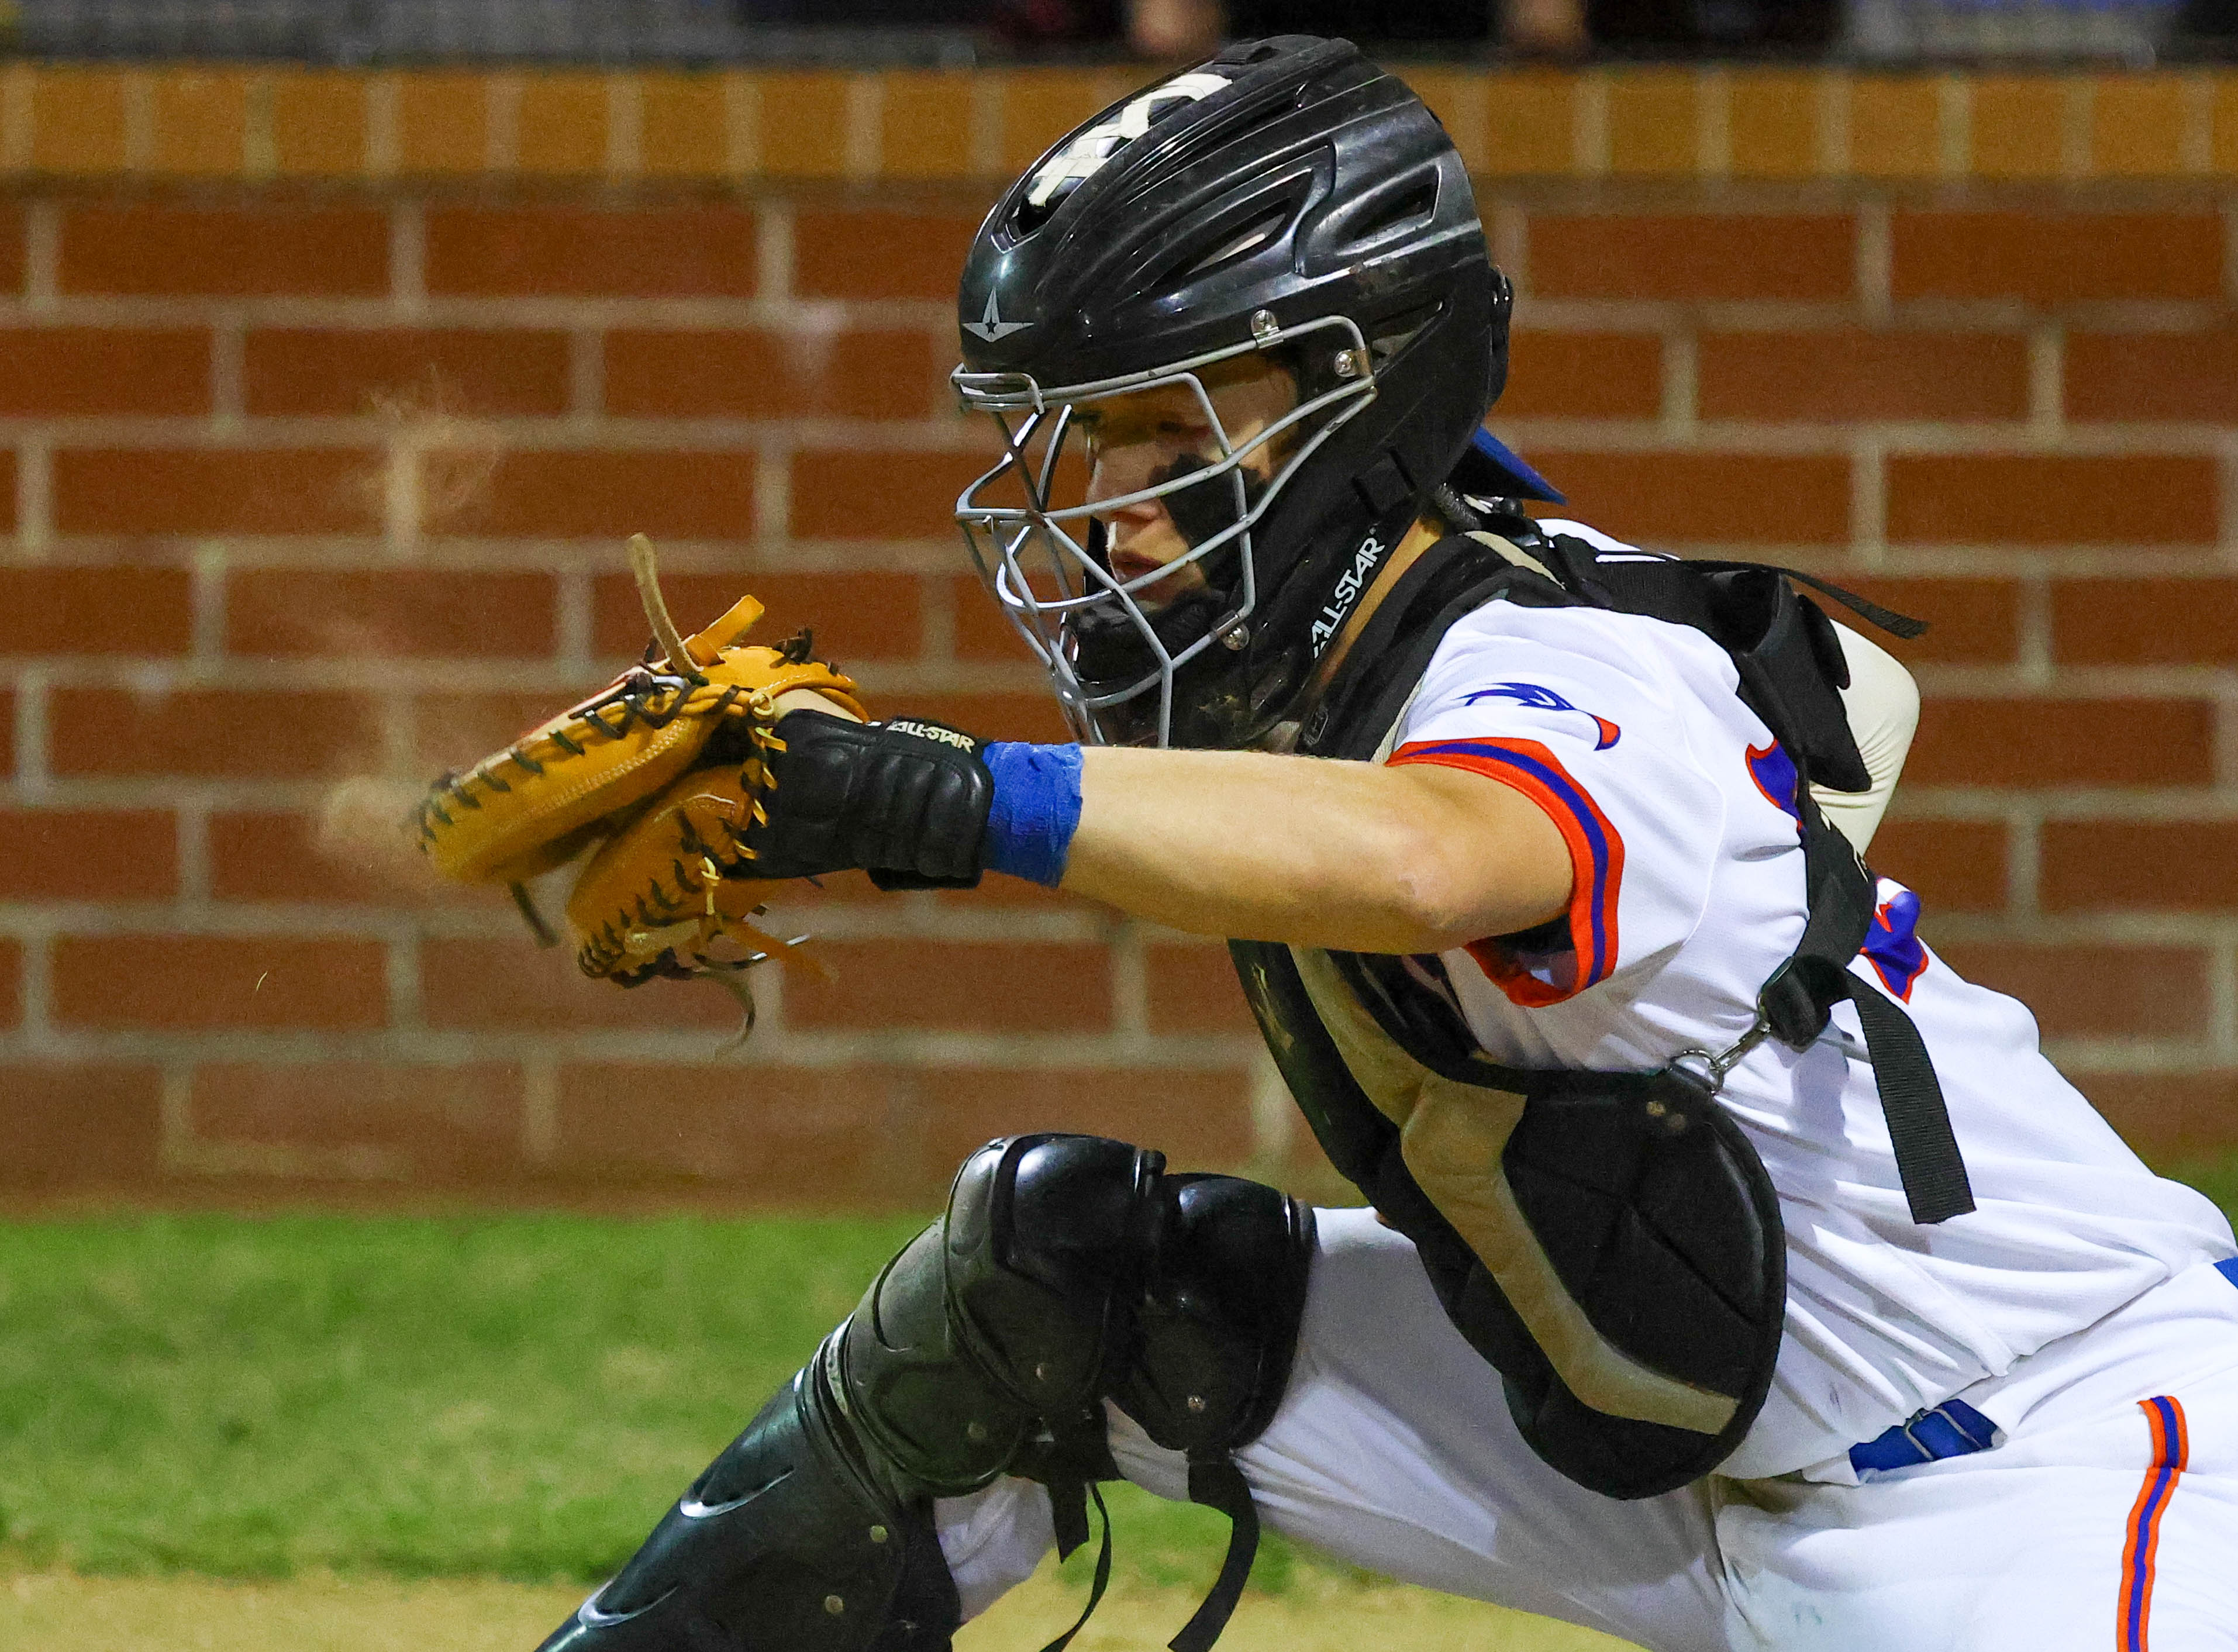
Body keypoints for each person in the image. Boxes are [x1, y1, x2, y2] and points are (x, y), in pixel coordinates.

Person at [528, 37, 2238, 1652]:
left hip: (2047, 1446)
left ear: (1360, 402)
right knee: (1064, 1289)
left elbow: (1439, 856)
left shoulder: (1553, 660)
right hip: (1690, 1447)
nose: (1114, 501)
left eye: (1181, 431)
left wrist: (933, 797)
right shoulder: (1363, 631)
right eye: (1097, 433)